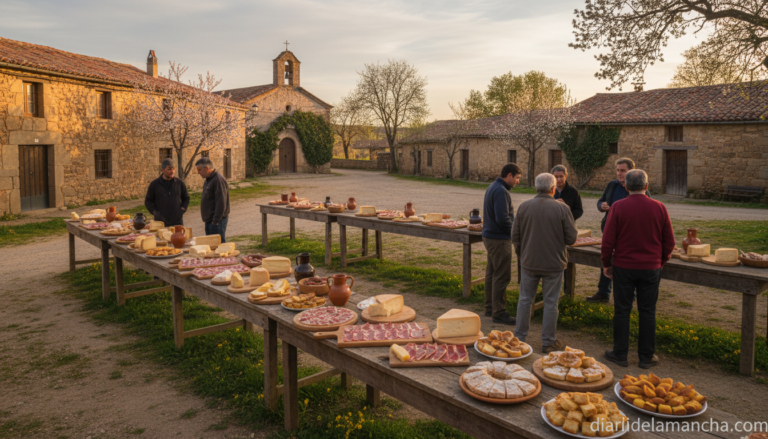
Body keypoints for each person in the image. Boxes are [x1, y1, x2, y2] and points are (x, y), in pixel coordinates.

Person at [601, 169, 674, 369]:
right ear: (646, 186)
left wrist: (607, 263)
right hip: (650, 267)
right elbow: (669, 241)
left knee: (622, 310)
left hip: (624, 266)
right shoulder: (659, 207)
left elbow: (607, 240)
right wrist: (661, 260)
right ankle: (646, 356)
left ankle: (620, 354)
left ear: (625, 186)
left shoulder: (618, 207)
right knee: (648, 311)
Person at [513, 173, 578, 353]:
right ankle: (548, 341)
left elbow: (514, 236)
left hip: (529, 261)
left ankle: (519, 339)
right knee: (551, 302)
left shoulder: (524, 207)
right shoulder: (562, 209)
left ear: (536, 188)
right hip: (554, 263)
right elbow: (572, 238)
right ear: (552, 189)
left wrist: (522, 253)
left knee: (525, 300)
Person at [586, 158, 650, 303]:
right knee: (607, 260)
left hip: (629, 234)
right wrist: (601, 205)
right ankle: (603, 292)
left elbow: (646, 208)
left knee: (627, 265)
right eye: (618, 170)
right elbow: (600, 200)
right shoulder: (611, 185)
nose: (619, 173)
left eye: (623, 170)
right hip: (610, 231)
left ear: (630, 172)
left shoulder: (639, 188)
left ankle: (630, 295)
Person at [482, 163, 522, 325]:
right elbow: (503, 219)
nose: (518, 182)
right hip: (499, 239)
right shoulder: (500, 190)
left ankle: (490, 307)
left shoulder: (494, 186)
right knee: (501, 275)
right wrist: (516, 232)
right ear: (510, 175)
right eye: (517, 178)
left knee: (492, 273)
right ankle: (499, 312)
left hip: (490, 237)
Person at [551, 164, 583, 295]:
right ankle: (553, 289)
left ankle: (566, 290)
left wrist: (566, 211)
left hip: (566, 230)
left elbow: (579, 210)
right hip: (551, 230)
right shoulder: (548, 190)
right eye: (556, 177)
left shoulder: (573, 191)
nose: (558, 180)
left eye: (561, 176)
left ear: (566, 176)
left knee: (566, 260)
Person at [144, 158, 190, 226]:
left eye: (173, 169)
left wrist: (182, 209)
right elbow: (148, 201)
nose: (172, 171)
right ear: (163, 170)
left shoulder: (179, 183)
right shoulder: (155, 184)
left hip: (177, 222)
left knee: (178, 237)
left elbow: (186, 198)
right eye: (169, 169)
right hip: (160, 222)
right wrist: (155, 212)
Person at [195, 156, 230, 243]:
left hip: (217, 221)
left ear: (206, 168)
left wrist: (215, 221)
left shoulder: (218, 180)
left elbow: (221, 202)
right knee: (211, 246)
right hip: (210, 220)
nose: (198, 172)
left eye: (199, 170)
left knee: (219, 247)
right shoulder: (208, 179)